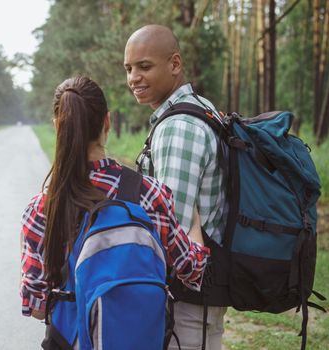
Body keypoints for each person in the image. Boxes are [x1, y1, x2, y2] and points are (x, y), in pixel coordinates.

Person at [19, 76, 210, 333]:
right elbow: (191, 269)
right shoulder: (149, 194)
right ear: (107, 121)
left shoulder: (40, 209)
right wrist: (195, 227)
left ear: (57, 127)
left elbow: (37, 307)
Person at [124, 25, 228, 350]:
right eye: (128, 69)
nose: (133, 78)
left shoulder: (178, 128)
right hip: (203, 293)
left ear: (175, 64)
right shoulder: (201, 107)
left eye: (144, 66)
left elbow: (173, 231)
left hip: (188, 299)